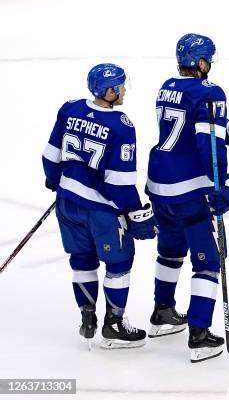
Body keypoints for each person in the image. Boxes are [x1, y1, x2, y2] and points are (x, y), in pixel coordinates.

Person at [145, 33, 229, 363]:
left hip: (159, 185)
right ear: (200, 62)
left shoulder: (167, 86)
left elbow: (188, 129)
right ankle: (199, 335)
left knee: (170, 250)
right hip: (189, 190)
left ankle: (163, 312)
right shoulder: (210, 92)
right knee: (208, 260)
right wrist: (222, 183)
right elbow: (205, 144)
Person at [42, 63, 157, 349]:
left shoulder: (70, 109)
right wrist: (134, 211)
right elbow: (118, 183)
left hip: (67, 204)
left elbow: (49, 157)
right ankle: (114, 325)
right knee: (119, 264)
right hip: (102, 212)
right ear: (109, 91)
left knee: (82, 261)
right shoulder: (121, 125)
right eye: (120, 86)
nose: (123, 90)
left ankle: (87, 314)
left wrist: (54, 180)